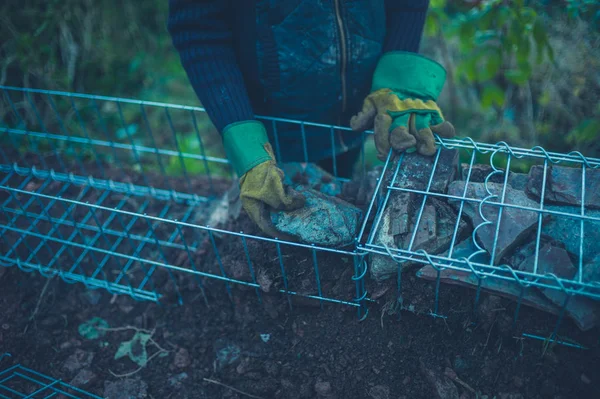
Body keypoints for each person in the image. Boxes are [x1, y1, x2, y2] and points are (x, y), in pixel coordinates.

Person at [167, 0, 455, 237]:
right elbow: (198, 26)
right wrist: (243, 138)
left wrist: (397, 76)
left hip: (358, 112)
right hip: (273, 126)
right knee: (279, 216)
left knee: (343, 191)